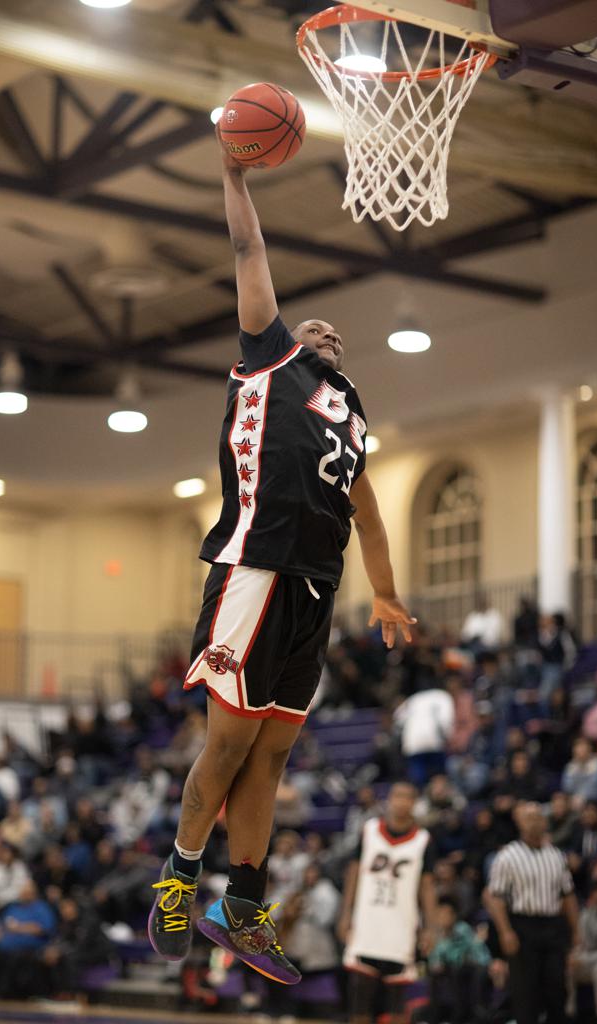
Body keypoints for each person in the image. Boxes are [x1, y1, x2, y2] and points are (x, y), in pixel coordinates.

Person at [147, 125, 415, 986]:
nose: (326, 330)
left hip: (315, 590)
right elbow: (246, 243)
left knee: (273, 756)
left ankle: (244, 904)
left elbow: (370, 521)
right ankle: (179, 879)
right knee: (227, 745)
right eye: (314, 326)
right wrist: (234, 171)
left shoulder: (354, 422)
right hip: (251, 572)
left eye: (335, 333)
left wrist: (384, 596)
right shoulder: (272, 360)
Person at [339, 781, 438, 1024]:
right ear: (389, 800)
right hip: (367, 922)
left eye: (407, 796)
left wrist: (431, 927)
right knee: (360, 995)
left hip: (401, 926)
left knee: (397, 999)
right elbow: (353, 872)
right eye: (397, 795)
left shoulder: (423, 840)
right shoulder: (370, 829)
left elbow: (427, 887)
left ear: (415, 803)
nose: (401, 801)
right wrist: (345, 913)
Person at [483, 801, 580, 1024]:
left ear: (545, 821)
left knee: (557, 988)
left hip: (553, 926)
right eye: (529, 818)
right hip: (522, 926)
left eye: (538, 817)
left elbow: (568, 896)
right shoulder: (508, 855)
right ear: (519, 823)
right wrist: (505, 932)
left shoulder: (556, 855)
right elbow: (494, 897)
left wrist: (576, 931)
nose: (534, 822)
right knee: (526, 993)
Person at [427, 895, 491, 1024]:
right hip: (450, 972)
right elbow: (434, 960)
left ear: (454, 915)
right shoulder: (438, 934)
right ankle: (435, 1015)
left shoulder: (463, 930)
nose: (443, 917)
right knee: (434, 974)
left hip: (469, 969)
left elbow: (480, 955)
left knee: (457, 971)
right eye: (440, 913)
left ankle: (463, 1015)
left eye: (446, 913)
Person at [566, 878, 597, 1024]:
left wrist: (585, 959)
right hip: (594, 960)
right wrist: (574, 956)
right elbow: (582, 944)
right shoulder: (588, 912)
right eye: (596, 894)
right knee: (571, 966)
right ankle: (570, 1014)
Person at [393, 684, 454, 787]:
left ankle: (420, 796)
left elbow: (397, 717)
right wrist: (448, 736)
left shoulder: (413, 698)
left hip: (412, 741)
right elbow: (446, 720)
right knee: (438, 774)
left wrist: (401, 738)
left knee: (417, 777)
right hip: (434, 740)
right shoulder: (442, 695)